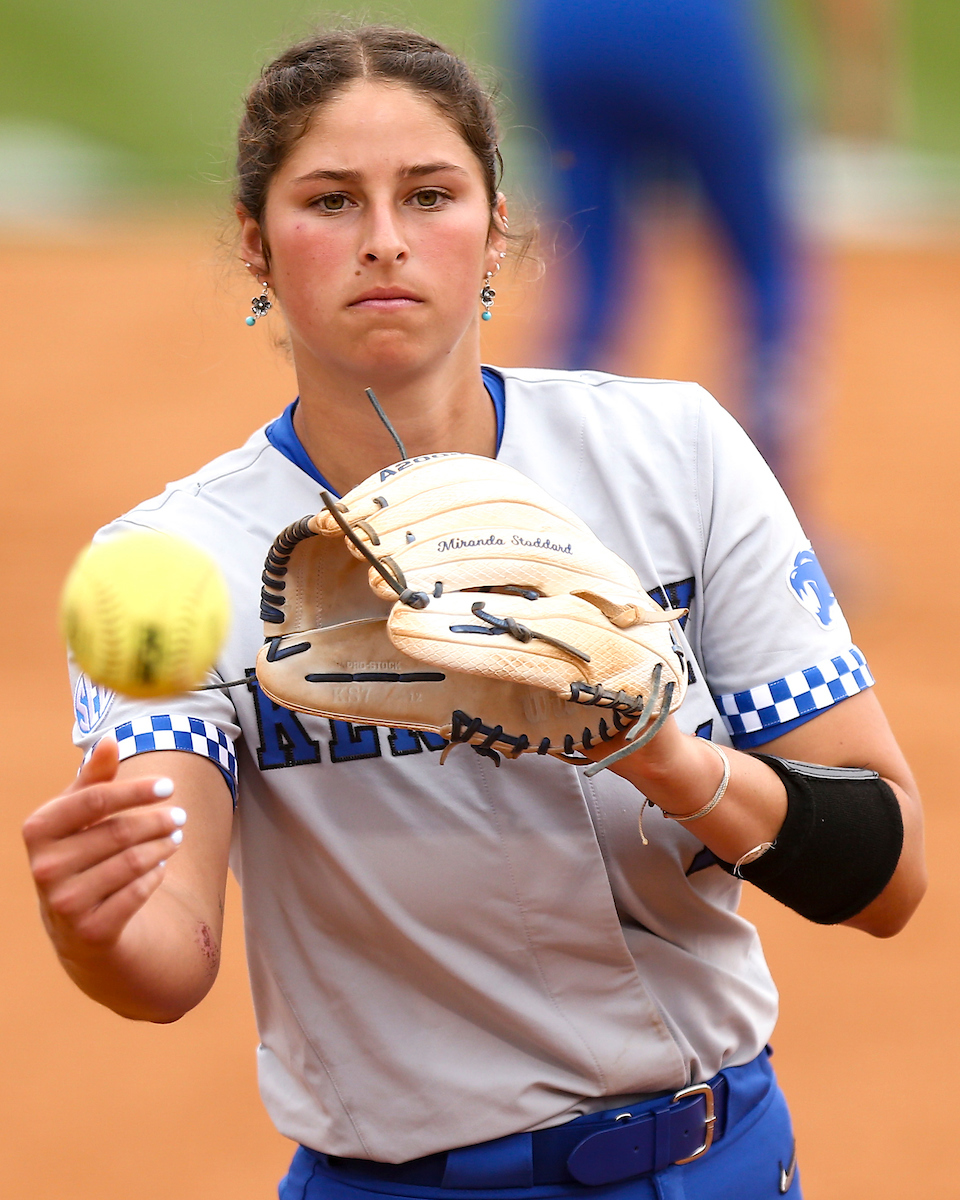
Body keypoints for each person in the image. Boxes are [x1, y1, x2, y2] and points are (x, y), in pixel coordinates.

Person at [23, 25, 924, 1200]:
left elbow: (888, 874)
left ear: (499, 227)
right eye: (332, 201)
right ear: (257, 244)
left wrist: (662, 758)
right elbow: (169, 957)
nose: (385, 241)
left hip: (720, 1163)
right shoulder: (173, 565)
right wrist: (95, 931)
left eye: (431, 195)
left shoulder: (676, 456)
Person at [511, 0, 801, 487]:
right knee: (763, 266)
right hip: (692, 28)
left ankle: (543, 504)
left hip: (561, 27)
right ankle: (769, 517)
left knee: (591, 277)